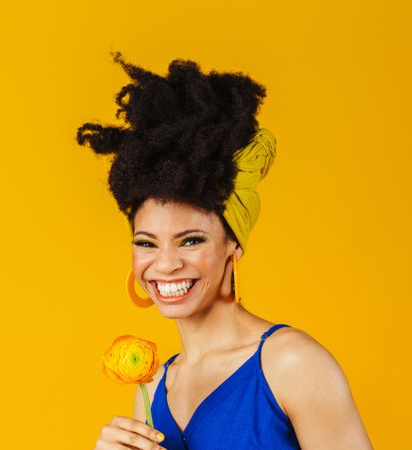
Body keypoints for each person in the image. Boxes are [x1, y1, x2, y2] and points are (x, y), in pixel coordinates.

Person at [77, 52, 373, 449]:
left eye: (191, 240)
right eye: (147, 243)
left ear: (233, 244)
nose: (165, 264)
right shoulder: (152, 390)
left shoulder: (291, 364)